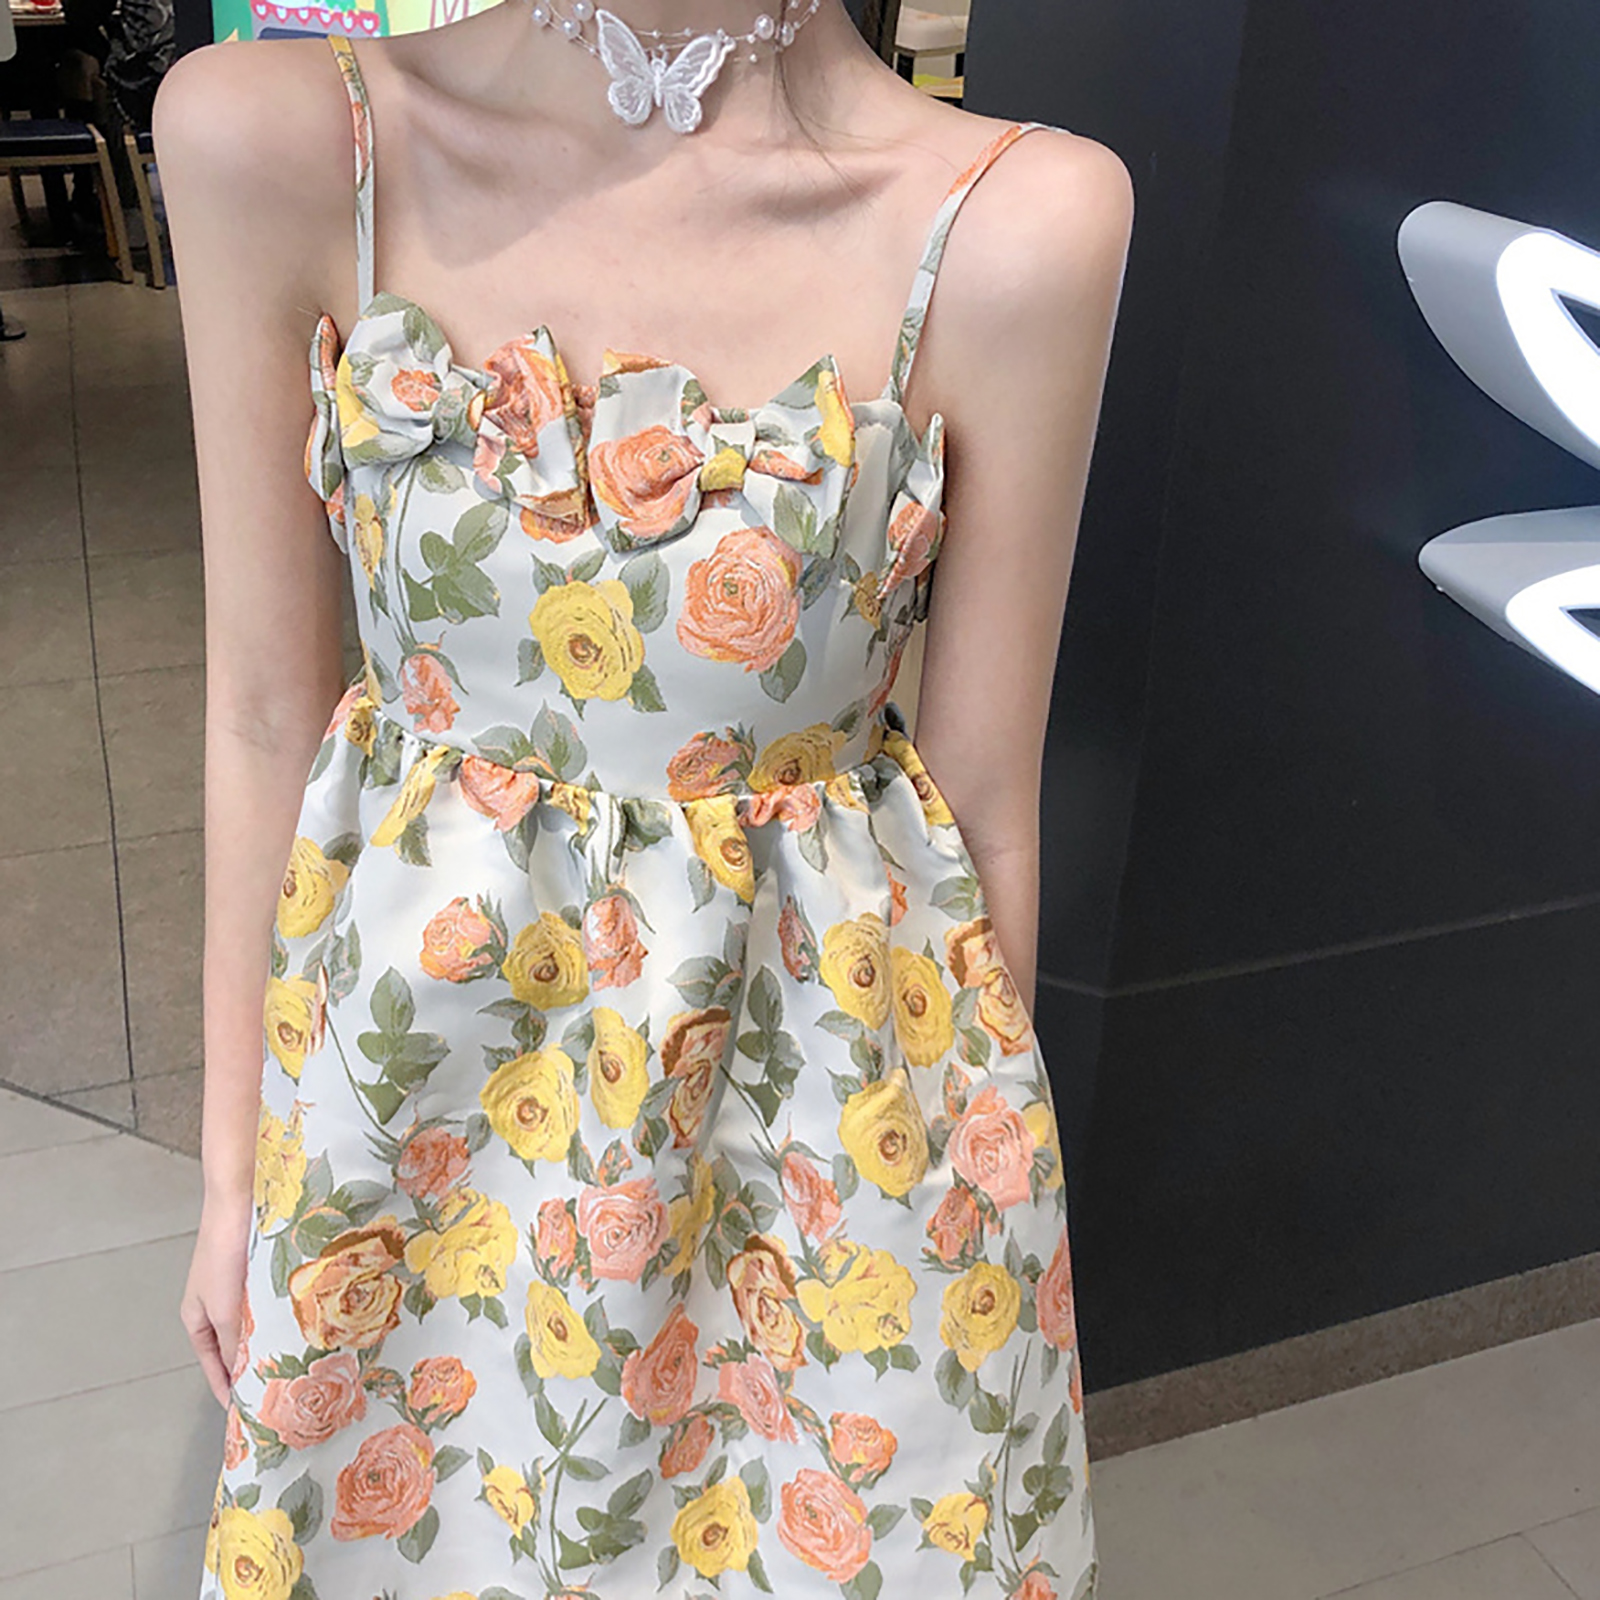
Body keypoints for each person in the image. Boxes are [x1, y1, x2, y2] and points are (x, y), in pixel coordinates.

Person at [152, 6, 1131, 1595]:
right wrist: (231, 1178)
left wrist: (976, 1237)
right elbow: (264, 712)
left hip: (825, 1168)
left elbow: (983, 807)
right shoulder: (281, 142)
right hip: (414, 1139)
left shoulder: (1017, 221)